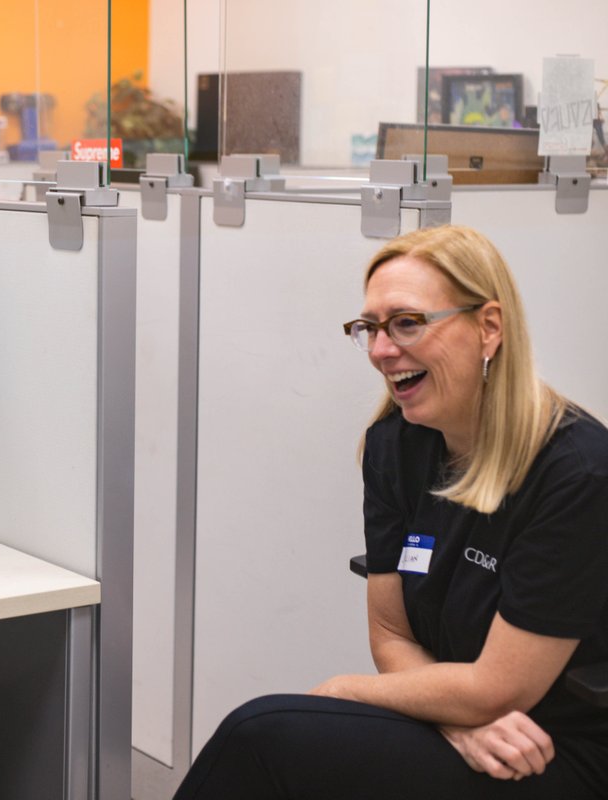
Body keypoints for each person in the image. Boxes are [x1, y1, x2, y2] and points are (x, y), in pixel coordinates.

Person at [173, 225, 608, 799]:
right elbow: (390, 632)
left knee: (263, 736)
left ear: (489, 328)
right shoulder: (395, 445)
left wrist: (345, 691)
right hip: (472, 724)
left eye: (407, 322)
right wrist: (456, 718)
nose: (380, 350)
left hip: (551, 750)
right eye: (370, 328)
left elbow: (504, 687)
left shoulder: (574, 472)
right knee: (264, 743)